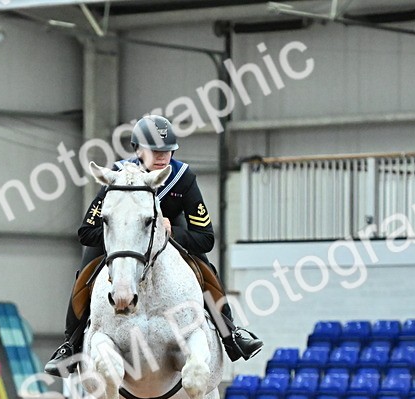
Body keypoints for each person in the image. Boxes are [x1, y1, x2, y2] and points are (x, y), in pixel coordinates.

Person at [43, 114, 263, 377]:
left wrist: (172, 233)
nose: (162, 156)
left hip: (171, 235)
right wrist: (124, 238)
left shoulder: (182, 177)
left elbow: (206, 237)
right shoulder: (118, 178)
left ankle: (231, 333)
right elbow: (86, 231)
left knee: (206, 270)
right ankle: (71, 344)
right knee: (85, 274)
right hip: (122, 240)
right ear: (138, 150)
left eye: (167, 151)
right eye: (155, 150)